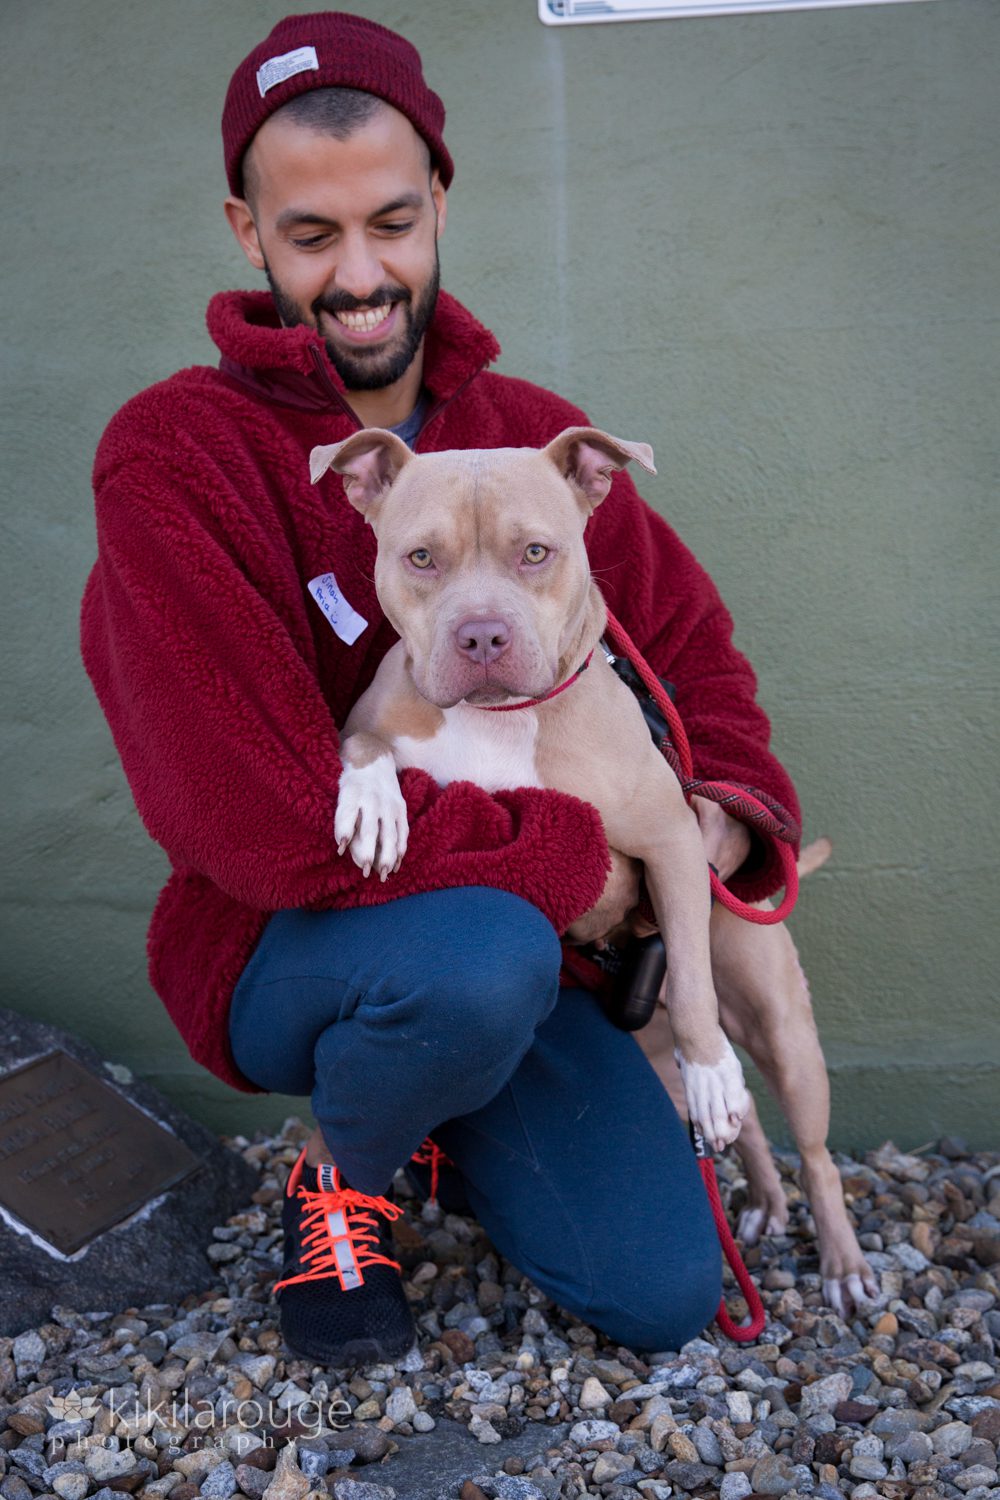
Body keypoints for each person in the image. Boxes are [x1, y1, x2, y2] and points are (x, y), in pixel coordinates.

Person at [81, 11, 800, 1366]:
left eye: (393, 223)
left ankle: (444, 1128)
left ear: (442, 205)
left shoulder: (526, 435)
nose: (361, 275)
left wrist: (707, 823)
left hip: (529, 956)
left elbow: (696, 651)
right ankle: (341, 1175)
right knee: (481, 954)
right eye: (311, 236)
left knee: (656, 1295)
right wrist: (583, 862)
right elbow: (254, 820)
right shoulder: (180, 455)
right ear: (246, 230)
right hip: (299, 946)